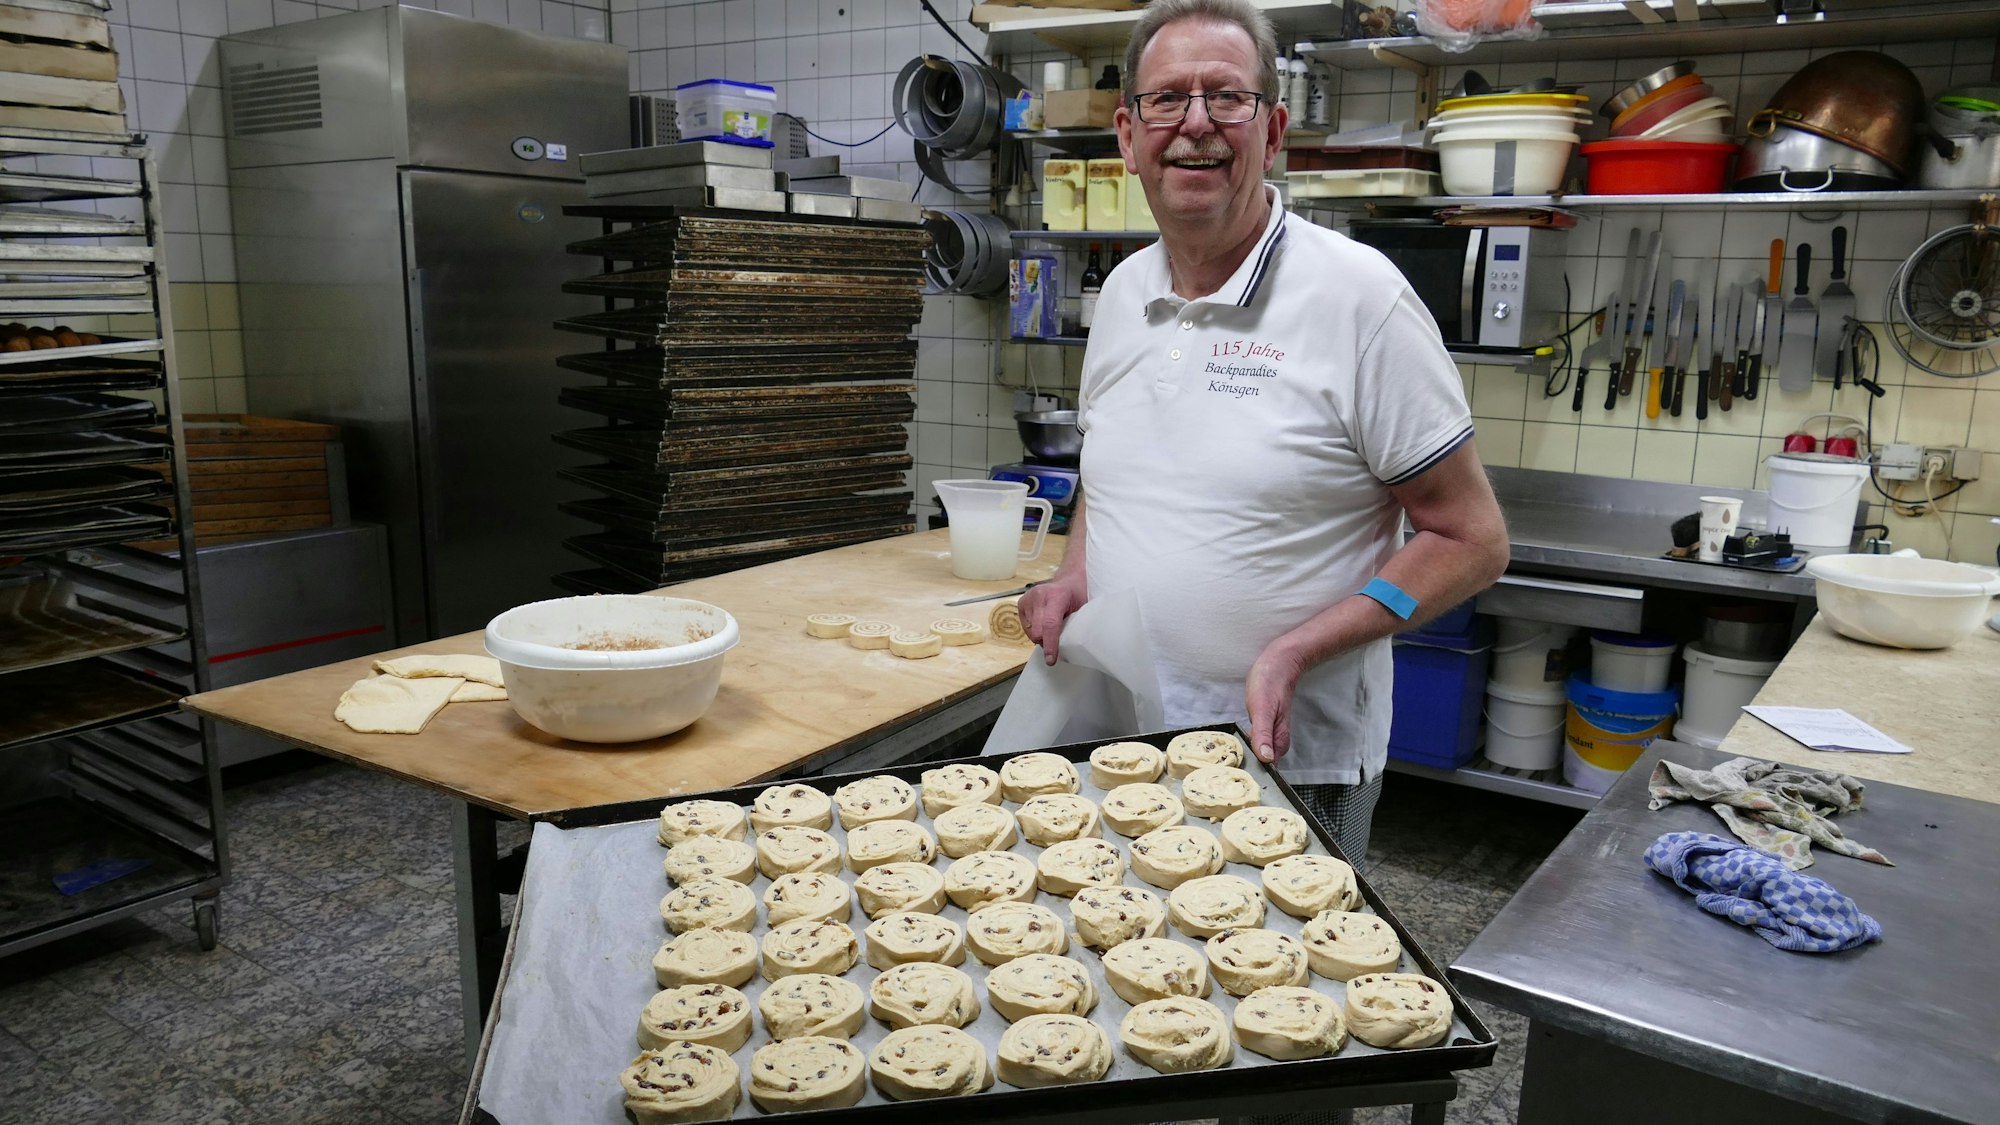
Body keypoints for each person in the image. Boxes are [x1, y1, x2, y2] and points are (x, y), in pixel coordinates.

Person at [1016, 0, 1510, 866]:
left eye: (1227, 98)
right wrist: (1073, 572)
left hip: (1289, 755)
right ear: (1128, 137)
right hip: (1124, 731)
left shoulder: (1361, 299)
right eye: (1167, 100)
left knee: (1290, 992)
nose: (1196, 124)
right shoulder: (1124, 294)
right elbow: (1112, 467)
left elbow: (1469, 540)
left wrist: (1300, 645)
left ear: (1273, 128)